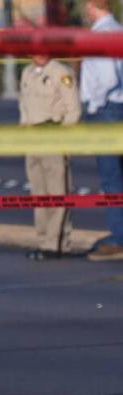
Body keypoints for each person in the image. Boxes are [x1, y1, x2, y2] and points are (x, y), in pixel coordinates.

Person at [18, 54, 81, 260]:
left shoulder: (61, 73)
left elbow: (73, 110)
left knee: (57, 192)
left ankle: (55, 244)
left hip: (53, 134)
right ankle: (45, 239)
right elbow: (24, 107)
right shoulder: (27, 73)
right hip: (32, 138)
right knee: (39, 192)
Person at [81, 0, 123, 261]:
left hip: (106, 109)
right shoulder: (118, 30)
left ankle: (118, 237)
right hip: (118, 107)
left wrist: (94, 104)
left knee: (111, 177)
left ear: (92, 6)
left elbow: (107, 77)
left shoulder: (100, 34)